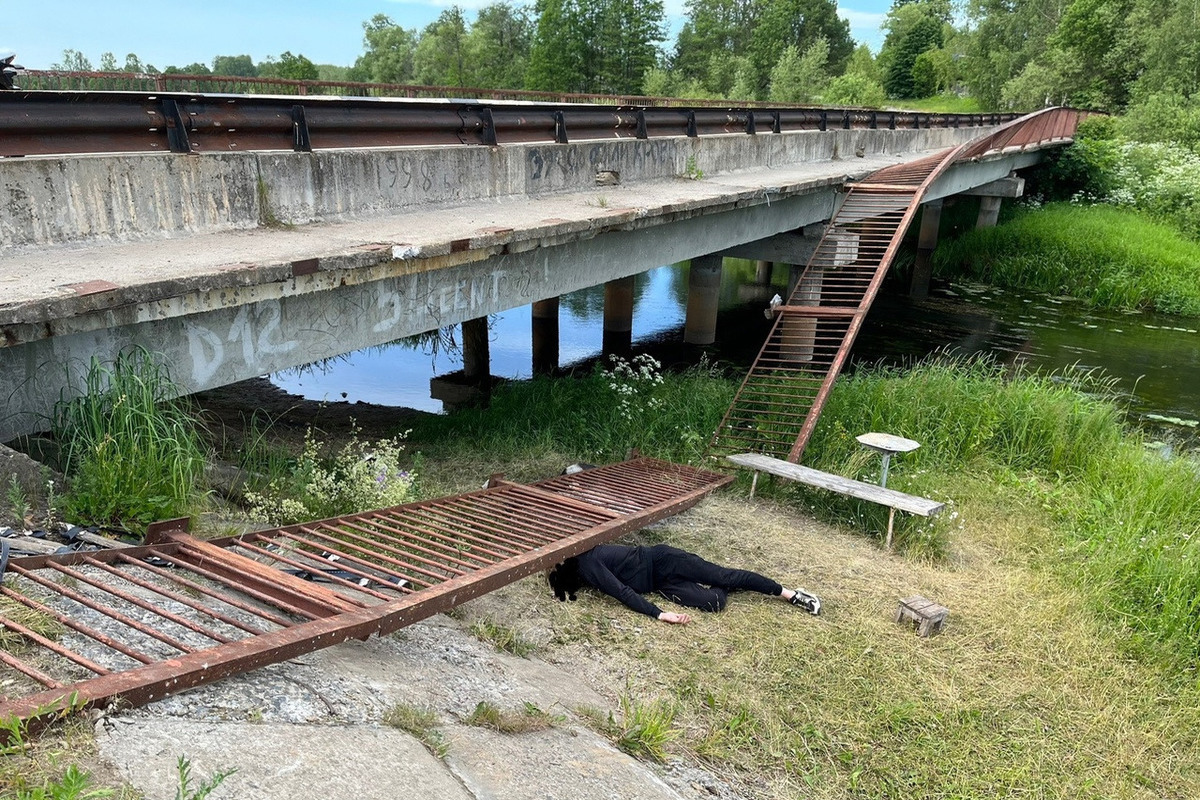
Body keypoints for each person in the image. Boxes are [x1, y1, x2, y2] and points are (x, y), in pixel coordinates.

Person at [548, 543, 821, 624]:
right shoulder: (582, 570)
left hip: (664, 560)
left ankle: (790, 594)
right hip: (660, 582)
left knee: (722, 576)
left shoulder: (586, 562)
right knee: (713, 602)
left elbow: (621, 592)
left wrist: (659, 614)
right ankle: (728, 585)